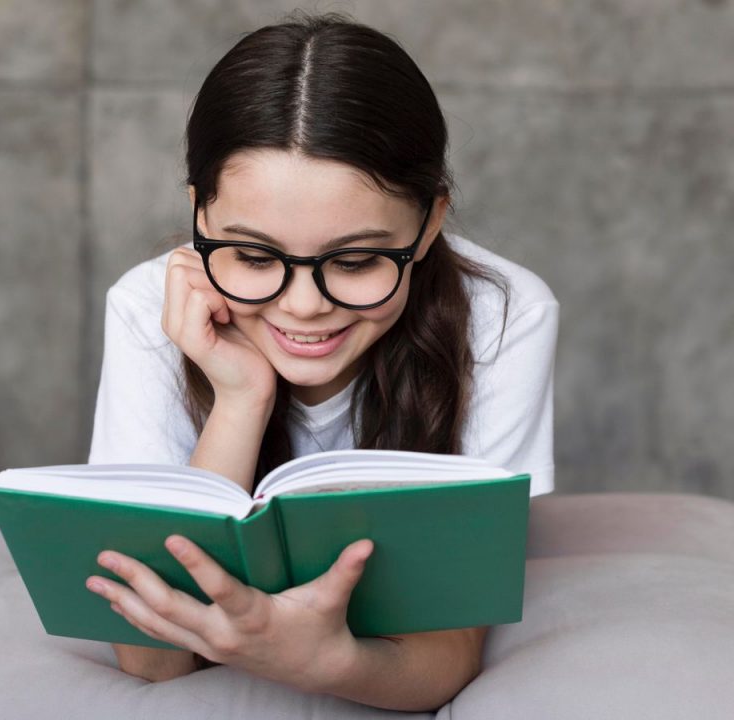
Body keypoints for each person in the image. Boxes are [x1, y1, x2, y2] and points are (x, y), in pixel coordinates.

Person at [79, 11, 558, 712]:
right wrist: (241, 399)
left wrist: (325, 663)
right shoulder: (146, 307)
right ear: (200, 218)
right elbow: (153, 660)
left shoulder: (506, 317)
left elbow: (447, 654)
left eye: (358, 260)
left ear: (428, 225)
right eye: (251, 256)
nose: (303, 307)